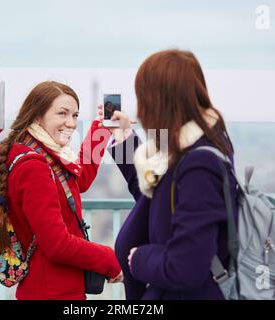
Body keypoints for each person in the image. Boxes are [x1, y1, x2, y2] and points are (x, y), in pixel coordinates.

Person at [101, 49, 238, 300]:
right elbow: (153, 199)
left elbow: (186, 267)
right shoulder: (185, 154)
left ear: (159, 101)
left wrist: (140, 258)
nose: (140, 112)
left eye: (143, 98)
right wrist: (123, 140)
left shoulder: (200, 166)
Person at [0, 81, 122, 300]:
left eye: (75, 115)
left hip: (50, 288)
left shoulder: (41, 154)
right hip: (53, 291)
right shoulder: (34, 167)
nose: (71, 123)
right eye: (62, 113)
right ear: (37, 116)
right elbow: (57, 244)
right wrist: (110, 260)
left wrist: (101, 128)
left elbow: (79, 180)